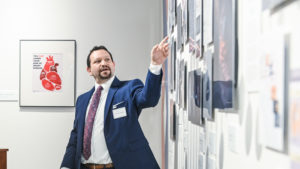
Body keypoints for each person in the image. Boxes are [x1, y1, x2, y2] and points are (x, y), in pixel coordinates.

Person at [61, 37, 169, 169]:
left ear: (113, 64)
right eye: (97, 61)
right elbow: (75, 137)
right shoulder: (82, 100)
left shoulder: (129, 89)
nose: (104, 63)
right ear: (89, 70)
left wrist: (155, 65)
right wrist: (66, 166)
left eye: (107, 59)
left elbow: (149, 99)